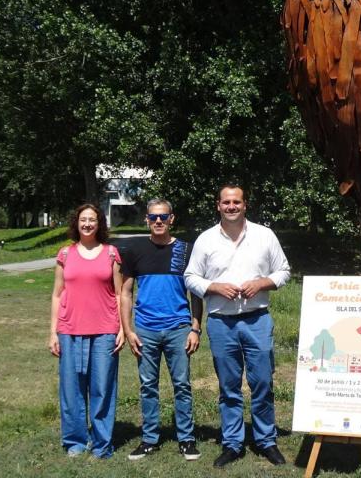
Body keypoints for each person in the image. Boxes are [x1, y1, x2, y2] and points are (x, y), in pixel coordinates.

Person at [185, 185, 291, 468]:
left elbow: (283, 271)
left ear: (245, 205)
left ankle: (265, 440)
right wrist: (213, 286)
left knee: (263, 383)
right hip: (221, 323)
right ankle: (232, 443)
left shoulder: (264, 235)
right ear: (218, 205)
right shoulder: (206, 239)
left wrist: (262, 282)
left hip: (257, 319)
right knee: (229, 387)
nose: (231, 206)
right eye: (226, 202)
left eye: (237, 202)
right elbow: (190, 277)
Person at [120, 199, 203, 461]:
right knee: (148, 386)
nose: (158, 221)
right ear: (146, 219)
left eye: (163, 217)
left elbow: (196, 294)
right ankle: (149, 439)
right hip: (145, 330)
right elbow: (125, 293)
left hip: (179, 328)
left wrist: (196, 328)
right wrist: (129, 330)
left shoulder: (185, 250)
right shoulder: (134, 249)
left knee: (182, 385)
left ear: (171, 219)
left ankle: (186, 439)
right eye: (154, 217)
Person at [48, 204, 124, 458]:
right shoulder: (65, 255)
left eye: (92, 220)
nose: (88, 224)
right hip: (69, 331)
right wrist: (52, 332)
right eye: (83, 220)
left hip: (105, 331)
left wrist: (123, 329)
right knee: (72, 390)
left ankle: (102, 444)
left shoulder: (111, 254)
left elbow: (118, 294)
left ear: (99, 223)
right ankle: (75, 442)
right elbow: (57, 295)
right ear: (76, 223)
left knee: (102, 388)